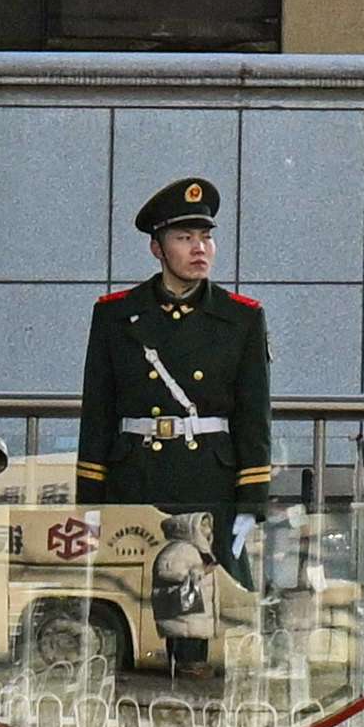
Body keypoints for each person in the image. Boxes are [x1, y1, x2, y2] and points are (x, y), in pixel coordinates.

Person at [76, 175, 276, 677]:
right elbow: (98, 408)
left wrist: (251, 500)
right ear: (157, 247)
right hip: (135, 478)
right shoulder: (117, 316)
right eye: (185, 238)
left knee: (203, 628)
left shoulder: (241, 318)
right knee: (132, 614)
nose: (199, 249)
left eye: (205, 238)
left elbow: (253, 416)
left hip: (207, 484)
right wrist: (90, 498)